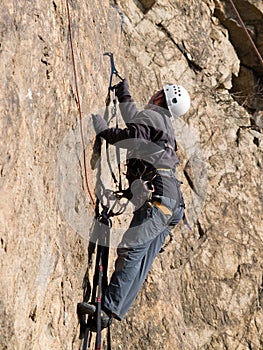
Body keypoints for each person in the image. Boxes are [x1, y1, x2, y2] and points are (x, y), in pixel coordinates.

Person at [78, 80, 191, 329]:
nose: (153, 92)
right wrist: (122, 93)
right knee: (141, 259)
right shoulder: (161, 122)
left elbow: (132, 137)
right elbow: (136, 124)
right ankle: (114, 309)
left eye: (158, 91)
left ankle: (108, 309)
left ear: (161, 97)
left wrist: (104, 131)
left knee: (131, 250)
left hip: (160, 198)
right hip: (172, 202)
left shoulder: (153, 117)